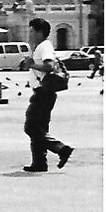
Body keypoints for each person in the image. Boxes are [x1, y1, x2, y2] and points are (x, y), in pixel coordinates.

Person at [22, 17, 73, 173]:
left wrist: (32, 64)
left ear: (39, 32)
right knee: (40, 127)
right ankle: (39, 162)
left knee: (30, 127)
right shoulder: (41, 46)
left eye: (31, 31)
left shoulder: (44, 46)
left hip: (43, 93)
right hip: (44, 92)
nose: (29, 34)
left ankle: (61, 148)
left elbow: (49, 66)